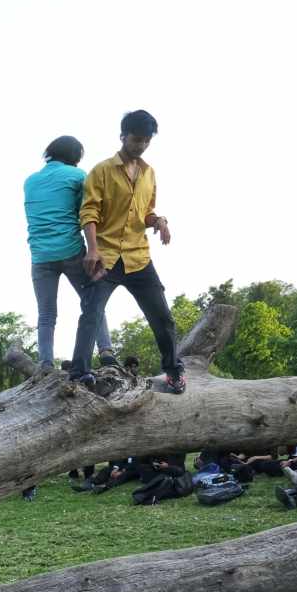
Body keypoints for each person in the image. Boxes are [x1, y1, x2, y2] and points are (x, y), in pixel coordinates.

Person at [70, 110, 184, 393]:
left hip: (138, 257)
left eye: (146, 141)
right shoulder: (102, 171)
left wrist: (159, 221)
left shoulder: (149, 173)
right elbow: (89, 212)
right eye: (137, 139)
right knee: (91, 314)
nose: (141, 145)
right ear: (123, 136)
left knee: (162, 316)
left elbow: (144, 213)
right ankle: (78, 374)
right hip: (106, 256)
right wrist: (92, 250)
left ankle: (174, 371)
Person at [25, 135, 115, 370]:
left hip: (40, 256)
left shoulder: (30, 181)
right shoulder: (77, 176)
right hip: (72, 251)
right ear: (74, 157)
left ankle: (45, 363)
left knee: (46, 314)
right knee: (92, 302)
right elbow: (88, 214)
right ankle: (105, 350)